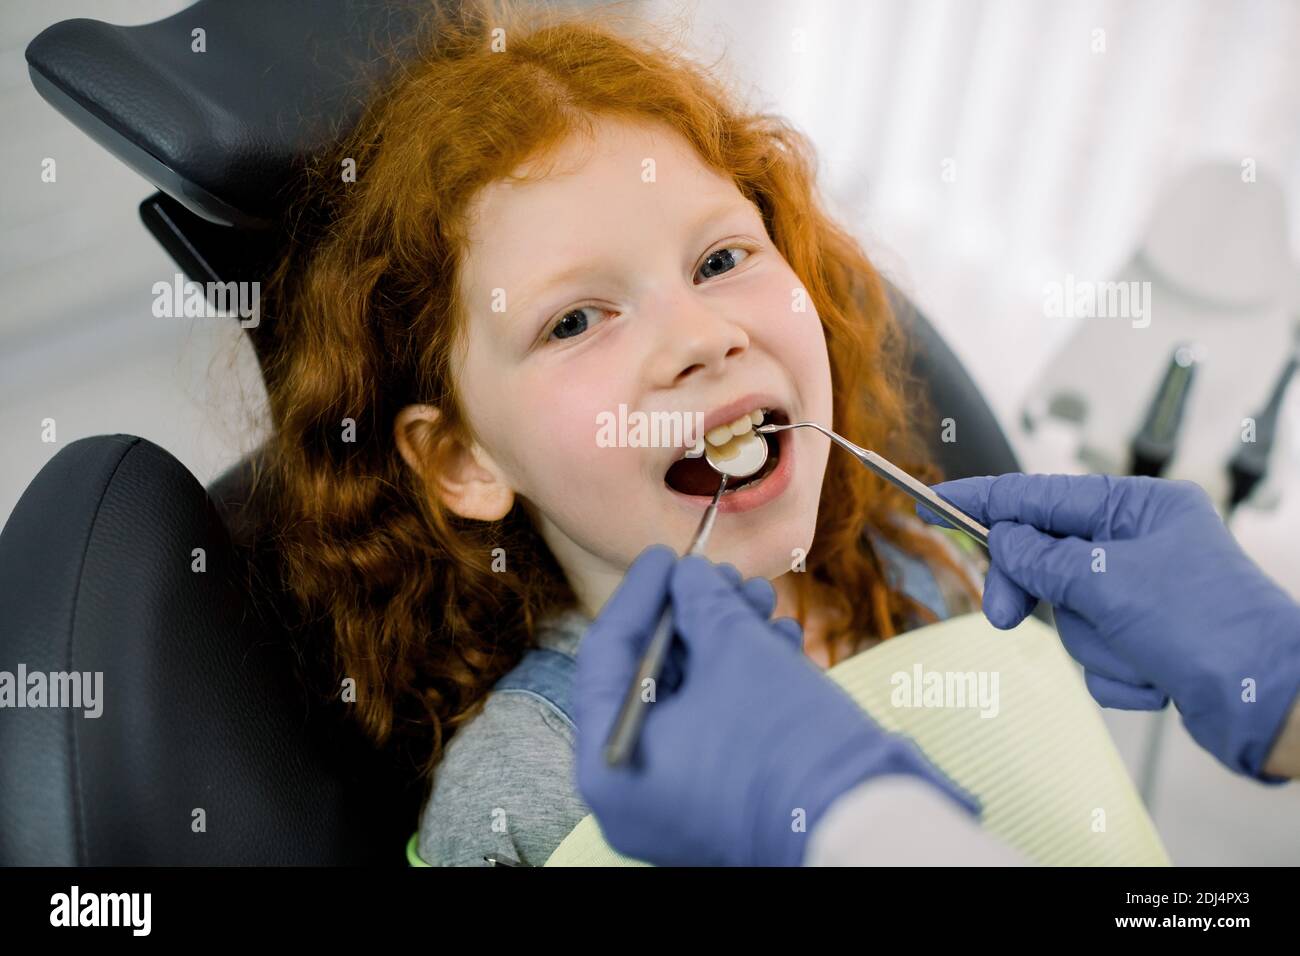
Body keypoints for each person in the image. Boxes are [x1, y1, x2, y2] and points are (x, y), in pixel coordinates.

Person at [574, 474, 1300, 866]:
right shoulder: (518, 768)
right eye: (572, 322)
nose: (702, 336)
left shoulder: (933, 569)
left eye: (721, 260)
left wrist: (1274, 673)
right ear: (464, 466)